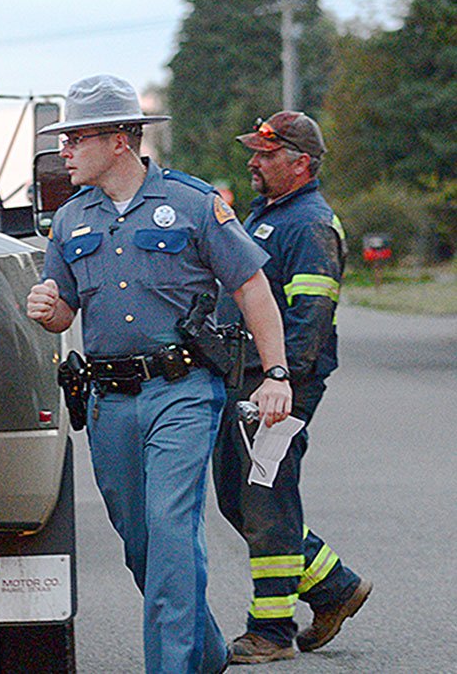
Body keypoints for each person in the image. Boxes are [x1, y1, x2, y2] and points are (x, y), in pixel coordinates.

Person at [26, 75, 292, 674]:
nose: (64, 150)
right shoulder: (69, 220)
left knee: (172, 532)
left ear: (120, 140)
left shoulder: (195, 204)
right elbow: (65, 308)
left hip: (184, 392)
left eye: (75, 137)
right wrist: (49, 312)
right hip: (109, 402)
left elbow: (252, 287)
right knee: (141, 546)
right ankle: (202, 652)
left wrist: (275, 372)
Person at [213, 112, 370, 663]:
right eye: (254, 152)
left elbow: (311, 315)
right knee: (239, 498)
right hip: (251, 381)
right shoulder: (272, 215)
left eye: (266, 154)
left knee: (265, 501)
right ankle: (335, 587)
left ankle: (271, 631)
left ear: (300, 163)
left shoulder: (308, 224)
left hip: (278, 389)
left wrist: (282, 383)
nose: (253, 162)